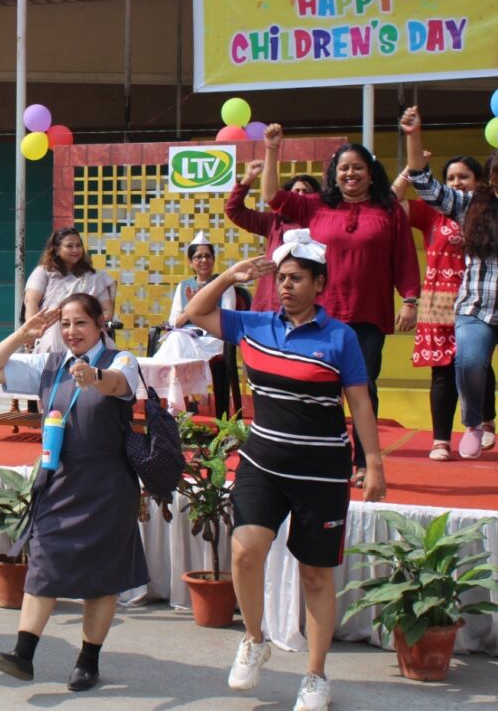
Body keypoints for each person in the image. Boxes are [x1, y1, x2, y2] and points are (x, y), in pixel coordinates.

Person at [182, 231, 386, 711]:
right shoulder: (253, 325)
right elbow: (196, 313)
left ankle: (315, 676)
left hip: (322, 471)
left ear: (319, 284)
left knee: (316, 576)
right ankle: (255, 640)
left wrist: (372, 462)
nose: (288, 286)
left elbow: (359, 402)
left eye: (298, 278)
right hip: (262, 462)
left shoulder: (341, 338)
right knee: (245, 551)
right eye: (284, 278)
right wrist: (230, 276)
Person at [0, 292, 147, 693]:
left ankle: (88, 661)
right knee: (44, 563)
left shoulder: (119, 360)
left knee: (102, 579)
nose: (72, 332)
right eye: (65, 325)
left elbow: (120, 385)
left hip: (107, 484)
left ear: (99, 325)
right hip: (58, 480)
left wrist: (95, 378)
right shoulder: (49, 364)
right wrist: (24, 332)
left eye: (81, 324)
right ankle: (23, 653)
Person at [261, 123, 420, 486]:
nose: (351, 173)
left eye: (358, 167)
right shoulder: (316, 206)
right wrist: (272, 150)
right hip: (322, 317)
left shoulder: (389, 209)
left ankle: (364, 461)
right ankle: (324, 456)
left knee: (363, 389)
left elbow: (404, 258)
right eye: (344, 168)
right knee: (321, 389)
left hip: (369, 316)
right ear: (334, 174)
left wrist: (410, 299)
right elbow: (272, 195)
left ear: (370, 173)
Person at [401, 106, 498, 459]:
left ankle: (486, 420)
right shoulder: (474, 206)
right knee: (468, 362)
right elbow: (425, 184)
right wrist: (413, 136)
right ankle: (473, 422)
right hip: (474, 307)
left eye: (464, 175)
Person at [157, 232, 236, 415]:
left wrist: (201, 307)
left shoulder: (223, 285)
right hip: (186, 336)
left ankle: (177, 405)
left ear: (214, 259)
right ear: (190, 262)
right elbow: (174, 321)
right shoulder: (183, 286)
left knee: (177, 341)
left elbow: (227, 317)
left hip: (211, 339)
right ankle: (182, 401)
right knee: (177, 338)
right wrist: (192, 308)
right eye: (198, 257)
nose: (203, 260)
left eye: (207, 256)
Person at [226, 160, 321, 311]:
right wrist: (248, 178)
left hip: (310, 306)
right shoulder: (274, 222)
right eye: (296, 192)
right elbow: (234, 211)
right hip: (271, 305)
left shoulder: (324, 224)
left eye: (307, 191)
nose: (301, 195)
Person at [24, 227, 116, 353]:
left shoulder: (94, 276)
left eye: (78, 245)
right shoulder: (44, 272)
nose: (75, 250)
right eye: (69, 246)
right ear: (56, 249)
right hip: (51, 329)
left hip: (88, 331)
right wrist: (32, 331)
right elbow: (31, 301)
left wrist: (93, 324)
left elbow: (106, 310)